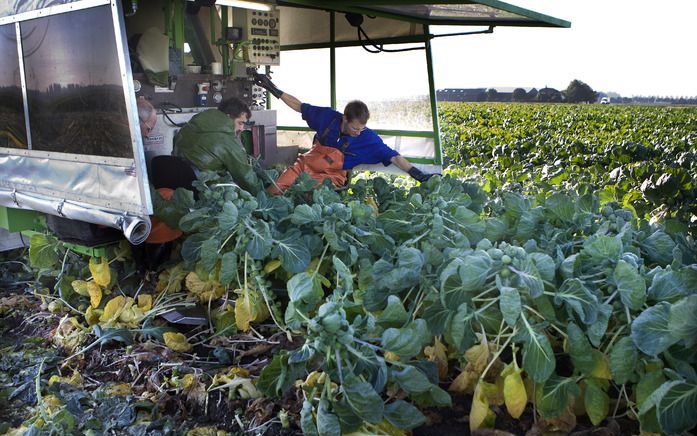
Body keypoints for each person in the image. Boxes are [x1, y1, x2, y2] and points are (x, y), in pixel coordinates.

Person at [253, 73, 435, 195]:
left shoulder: (368, 139)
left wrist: (418, 174)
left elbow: (395, 158)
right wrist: (273, 89)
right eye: (355, 128)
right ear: (345, 119)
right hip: (303, 166)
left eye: (361, 128)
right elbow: (298, 106)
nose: (358, 132)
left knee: (306, 195)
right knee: (275, 189)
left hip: (330, 178)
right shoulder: (327, 117)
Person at [173, 97, 262, 194]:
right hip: (205, 191)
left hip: (178, 185)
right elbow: (245, 176)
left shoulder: (192, 124)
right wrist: (263, 195)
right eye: (240, 123)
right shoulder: (228, 139)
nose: (241, 128)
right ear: (228, 117)